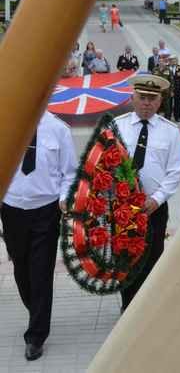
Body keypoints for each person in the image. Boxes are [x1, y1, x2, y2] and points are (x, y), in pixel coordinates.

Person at [1, 111, 77, 361]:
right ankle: (37, 310)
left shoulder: (59, 130)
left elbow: (70, 173)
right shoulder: (8, 124)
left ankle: (36, 335)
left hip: (46, 209)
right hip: (12, 208)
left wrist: (66, 200)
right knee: (21, 270)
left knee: (41, 271)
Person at [114, 74, 180, 311]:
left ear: (160, 101)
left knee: (152, 258)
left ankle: (147, 309)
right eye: (142, 97)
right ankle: (128, 306)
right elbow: (105, 165)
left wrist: (157, 199)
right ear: (132, 98)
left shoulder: (170, 132)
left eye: (152, 98)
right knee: (126, 258)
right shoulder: (117, 126)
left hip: (154, 208)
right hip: (123, 208)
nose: (147, 103)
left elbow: (175, 171)